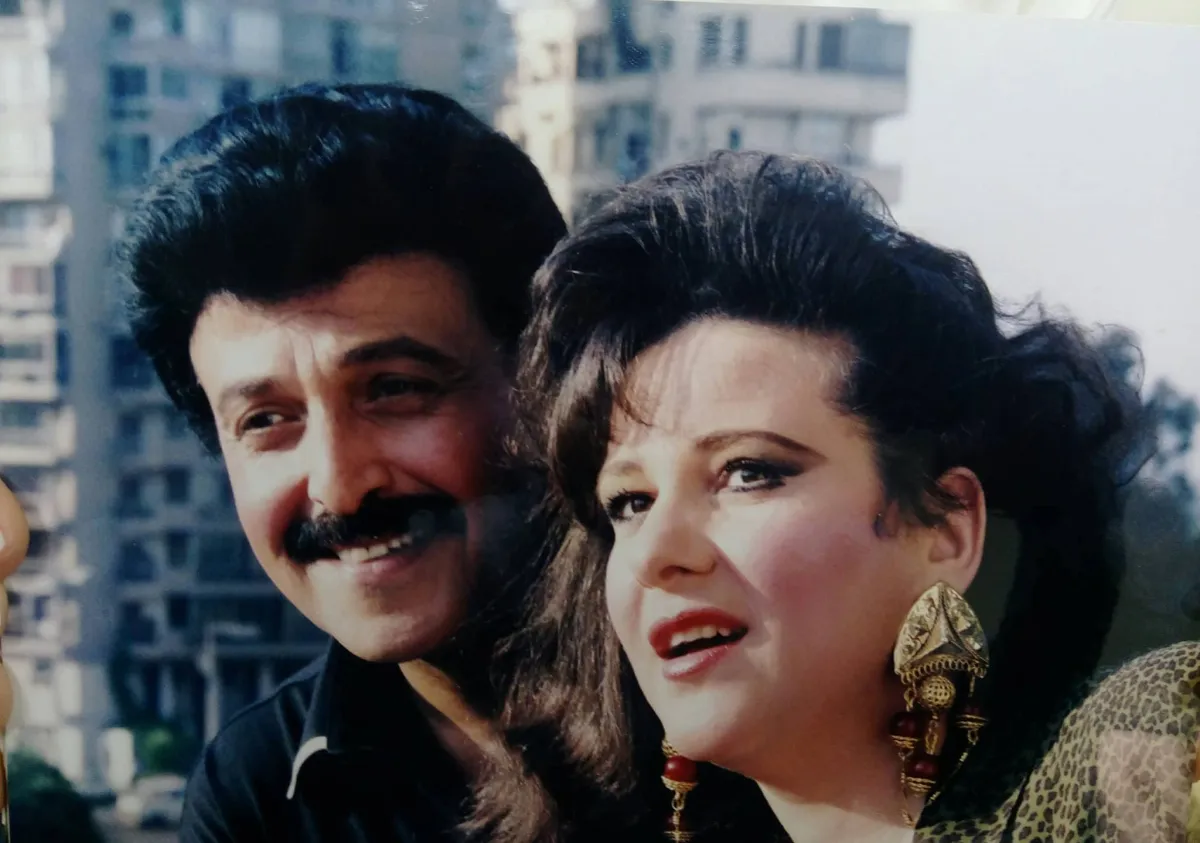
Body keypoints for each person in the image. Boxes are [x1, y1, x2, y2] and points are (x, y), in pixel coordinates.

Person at [470, 151, 1200, 843]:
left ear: (945, 528)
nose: (659, 552)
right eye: (630, 502)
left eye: (748, 471)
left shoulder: (1146, 750)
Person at [115, 82, 576, 842]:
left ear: (542, 386)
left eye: (394, 389)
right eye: (267, 420)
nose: (337, 485)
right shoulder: (260, 793)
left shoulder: (731, 708)